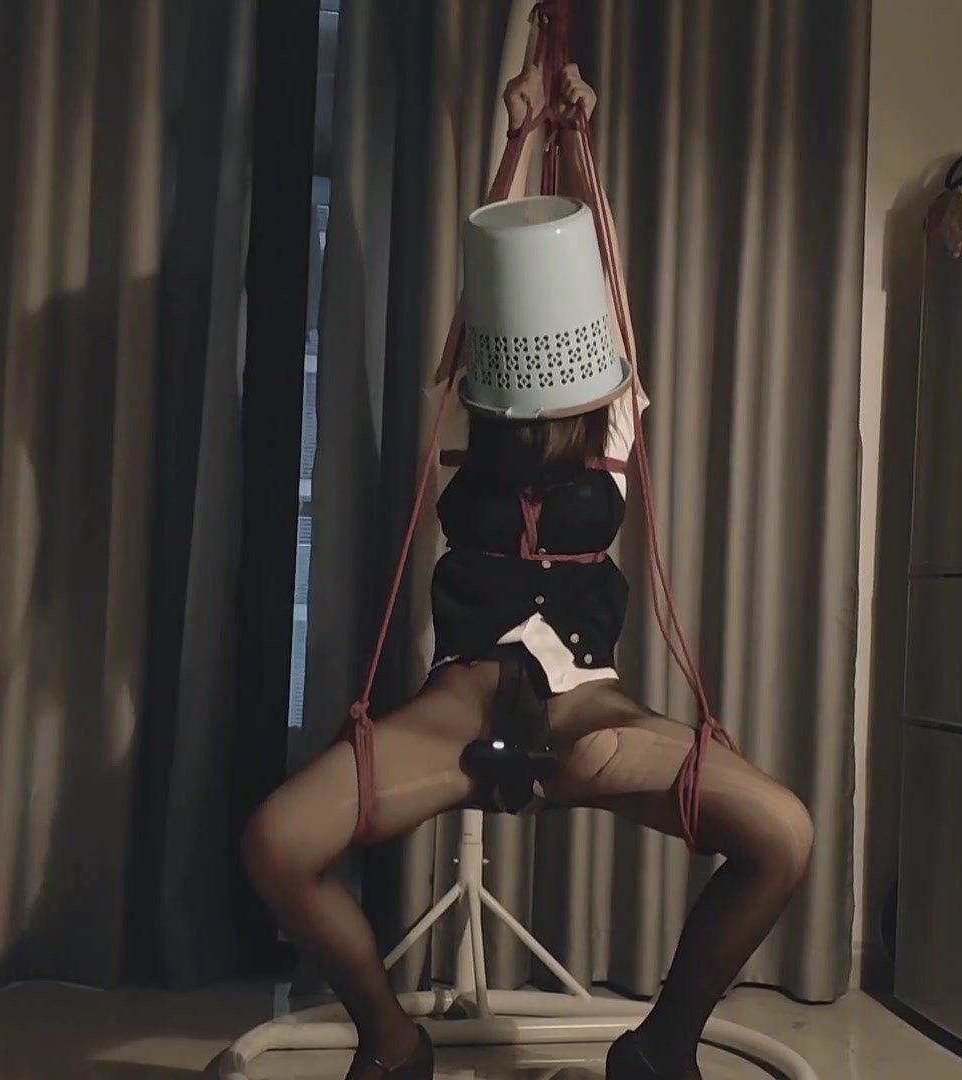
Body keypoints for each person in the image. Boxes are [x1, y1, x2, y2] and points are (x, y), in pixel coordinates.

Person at [242, 67, 814, 1080]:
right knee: (277, 843)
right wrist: (516, 145)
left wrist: (582, 160)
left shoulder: (617, 422)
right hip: (454, 715)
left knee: (783, 833)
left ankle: (661, 1049)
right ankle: (390, 1037)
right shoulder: (473, 405)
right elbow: (496, 287)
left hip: (590, 714)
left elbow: (603, 299)